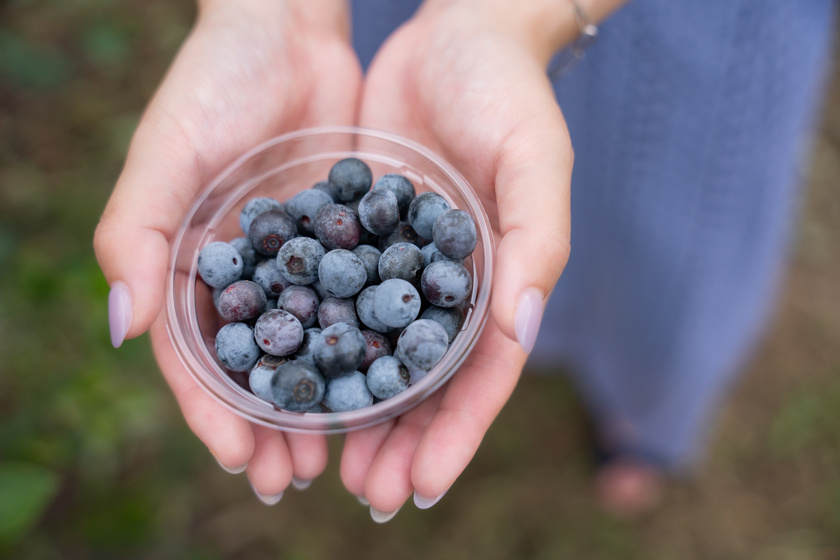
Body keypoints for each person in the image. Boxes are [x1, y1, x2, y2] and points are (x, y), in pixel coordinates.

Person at [93, 0, 836, 521]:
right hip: (421, 38)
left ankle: (645, 427)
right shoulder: (329, 277)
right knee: (512, 271)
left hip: (689, 40)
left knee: (664, 282)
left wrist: (511, 16)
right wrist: (269, 12)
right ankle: (638, 419)